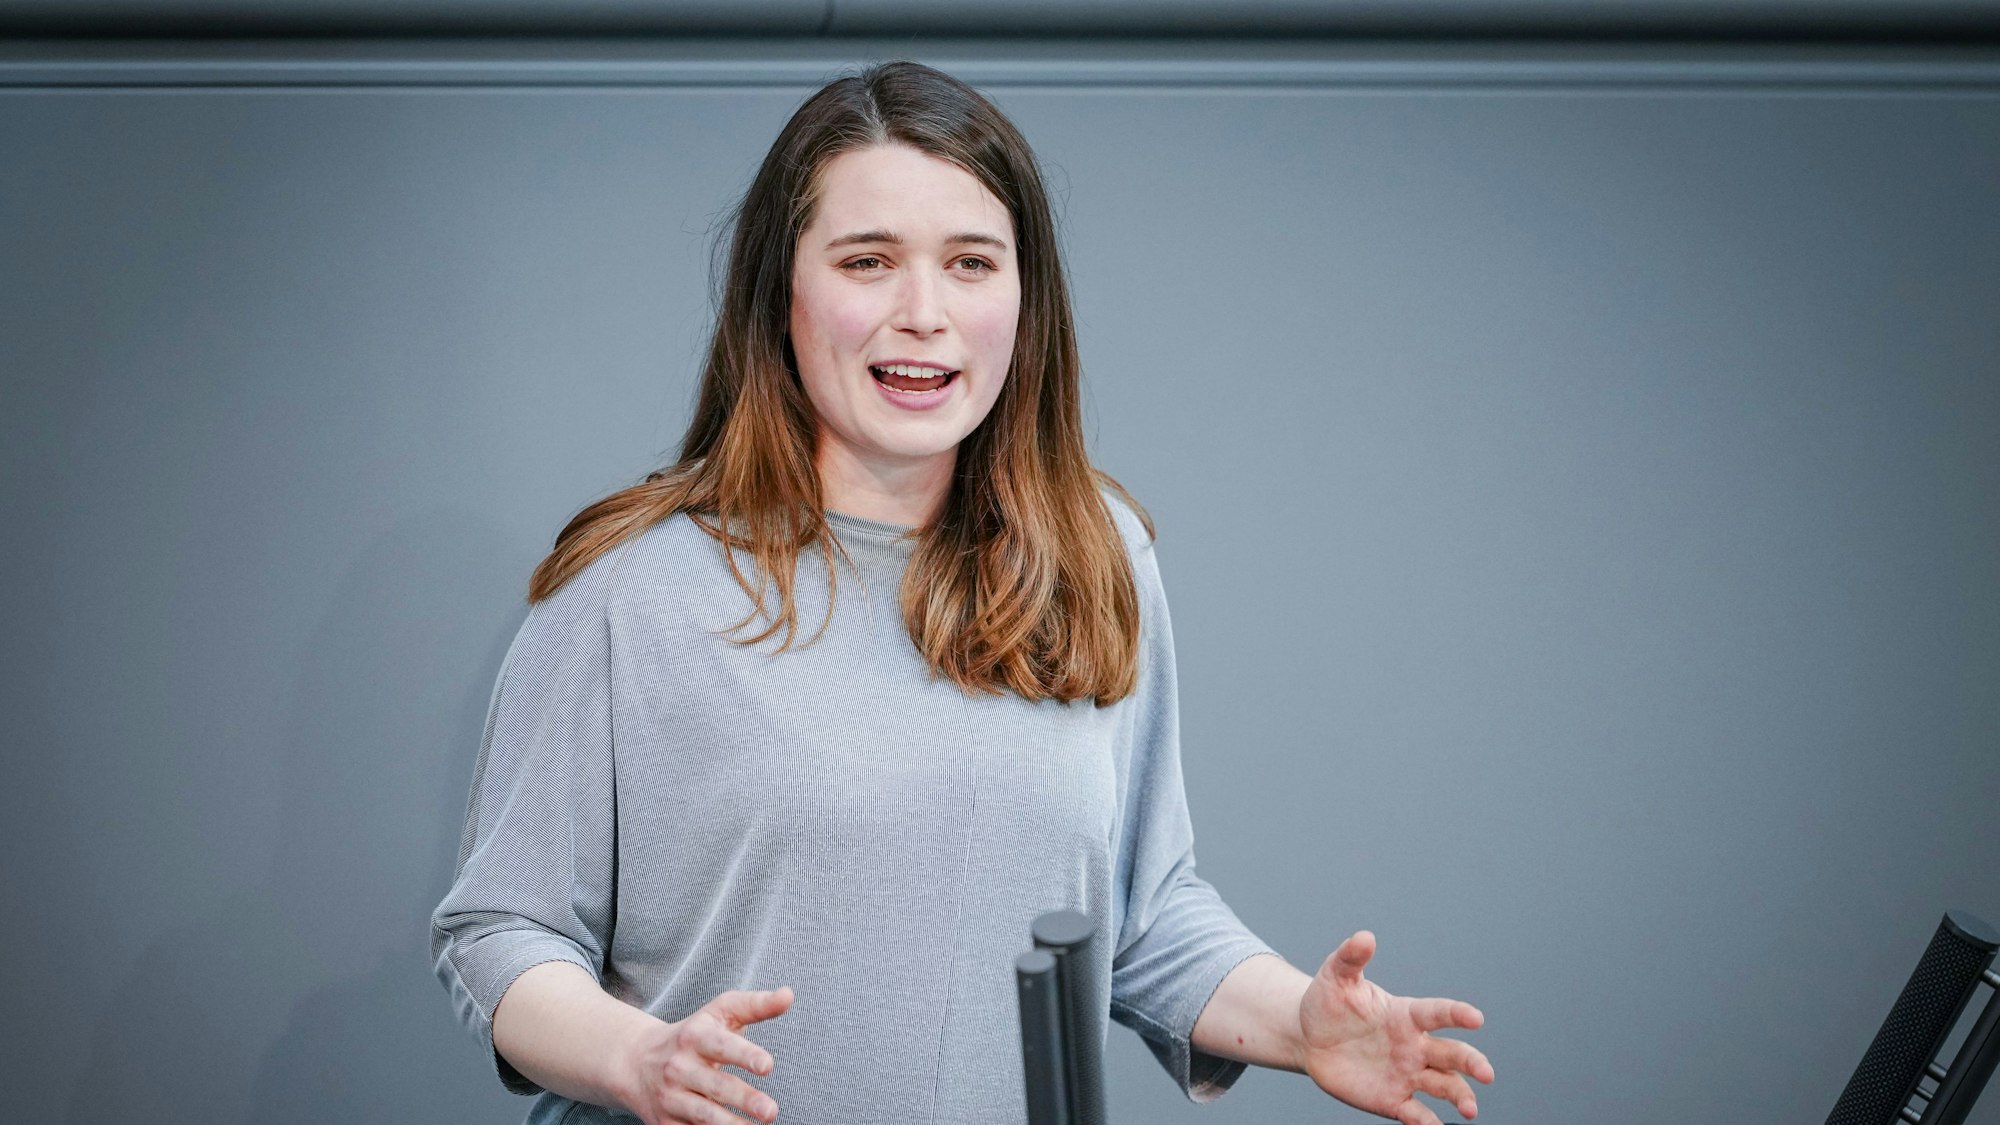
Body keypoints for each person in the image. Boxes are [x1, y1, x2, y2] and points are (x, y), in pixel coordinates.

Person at [431, 60, 1494, 1125]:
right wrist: (638, 1057)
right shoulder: (632, 584)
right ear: (780, 294)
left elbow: (1138, 913)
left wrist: (1299, 1026)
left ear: (1023, 302)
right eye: (867, 261)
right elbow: (499, 933)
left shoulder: (1092, 552)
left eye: (971, 263)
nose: (923, 313)